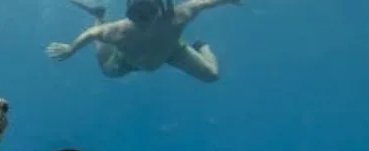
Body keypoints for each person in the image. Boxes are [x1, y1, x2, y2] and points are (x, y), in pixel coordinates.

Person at [45, 0, 241, 83]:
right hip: (129, 58)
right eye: (137, 14)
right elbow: (93, 33)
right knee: (106, 69)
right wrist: (70, 49)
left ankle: (201, 46)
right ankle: (98, 14)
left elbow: (203, 2)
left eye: (146, 13)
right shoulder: (118, 30)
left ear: (158, 9)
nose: (142, 20)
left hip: (172, 51)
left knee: (212, 75)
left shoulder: (176, 18)